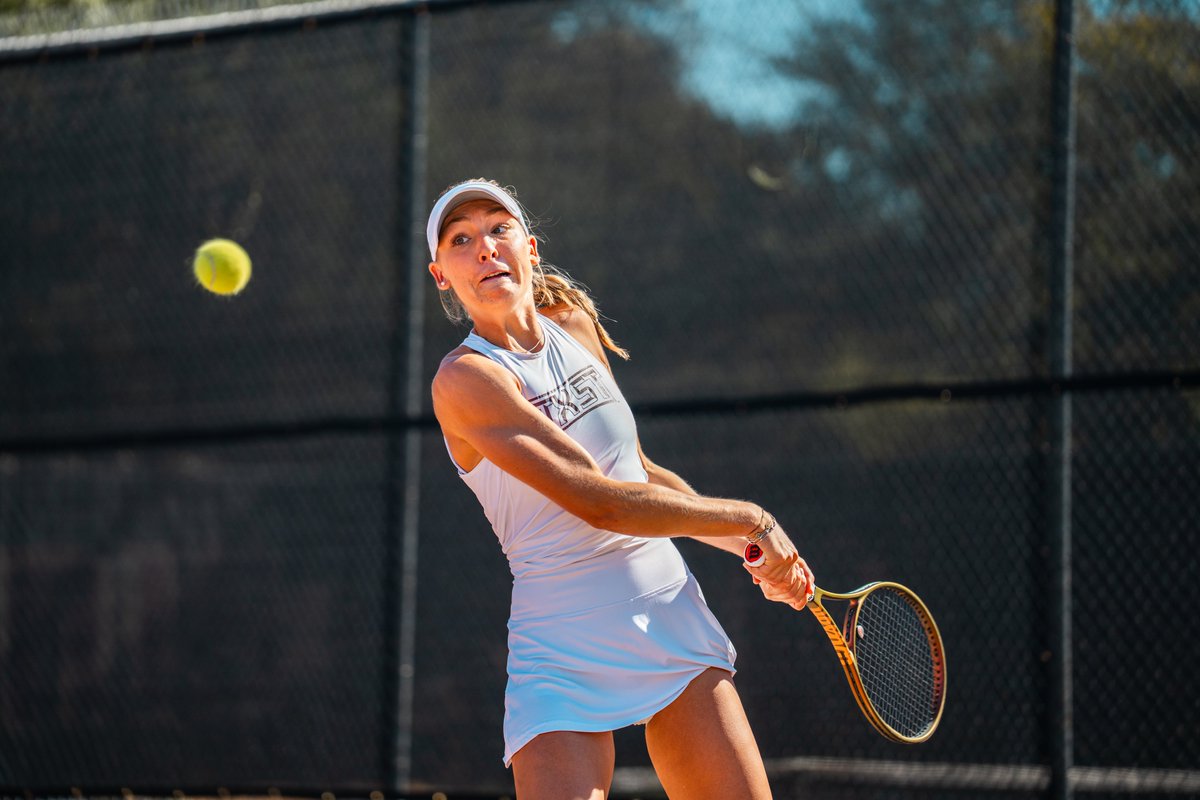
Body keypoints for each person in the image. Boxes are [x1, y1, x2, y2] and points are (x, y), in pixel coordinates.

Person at [426, 178, 815, 800]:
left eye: (498, 230)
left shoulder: (574, 327)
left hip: (666, 608)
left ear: (528, 246)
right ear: (442, 274)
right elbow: (598, 501)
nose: (484, 248)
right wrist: (753, 520)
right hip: (561, 647)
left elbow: (635, 473)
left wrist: (749, 550)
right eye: (461, 239)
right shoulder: (465, 380)